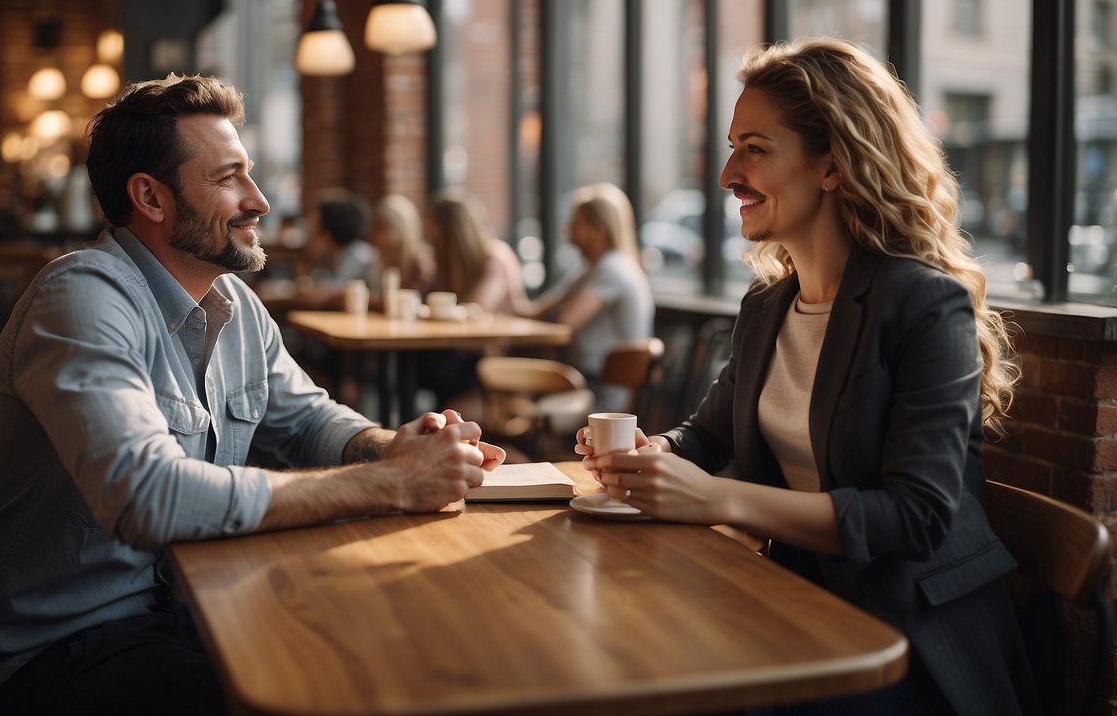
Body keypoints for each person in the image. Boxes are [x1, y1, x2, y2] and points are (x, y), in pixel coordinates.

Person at [0, 75, 504, 716]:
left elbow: (309, 419)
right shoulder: (82, 298)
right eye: (228, 177)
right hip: (48, 653)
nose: (258, 200)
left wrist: (385, 446)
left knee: (390, 647)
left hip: (176, 606)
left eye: (250, 174)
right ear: (150, 196)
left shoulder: (233, 304)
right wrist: (391, 484)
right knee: (331, 688)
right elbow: (146, 496)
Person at [577, 38, 1036, 715]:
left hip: (911, 643)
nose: (729, 174)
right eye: (732, 147)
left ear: (832, 165)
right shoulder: (768, 307)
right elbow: (704, 438)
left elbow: (916, 518)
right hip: (798, 605)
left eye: (755, 148)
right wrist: (651, 458)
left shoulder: (922, 303)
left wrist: (719, 501)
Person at [530, 182, 653, 412]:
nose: (568, 229)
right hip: (586, 381)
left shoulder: (612, 268)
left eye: (576, 223)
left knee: (513, 394)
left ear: (598, 229)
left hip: (602, 391)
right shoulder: (588, 268)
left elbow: (565, 322)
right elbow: (540, 309)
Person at [418, 189, 530, 404]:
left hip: (497, 357)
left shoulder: (494, 257)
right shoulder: (453, 263)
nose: (431, 238)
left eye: (435, 231)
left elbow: (477, 308)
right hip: (467, 353)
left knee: (427, 367)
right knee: (414, 362)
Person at [291, 189, 382, 308]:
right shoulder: (331, 254)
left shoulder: (358, 254)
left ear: (328, 233)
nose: (309, 231)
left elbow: (328, 293)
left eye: (315, 226)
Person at [370, 193, 435, 305]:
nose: (372, 233)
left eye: (379, 227)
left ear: (398, 231)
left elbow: (410, 304)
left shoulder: (422, 264)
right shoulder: (379, 259)